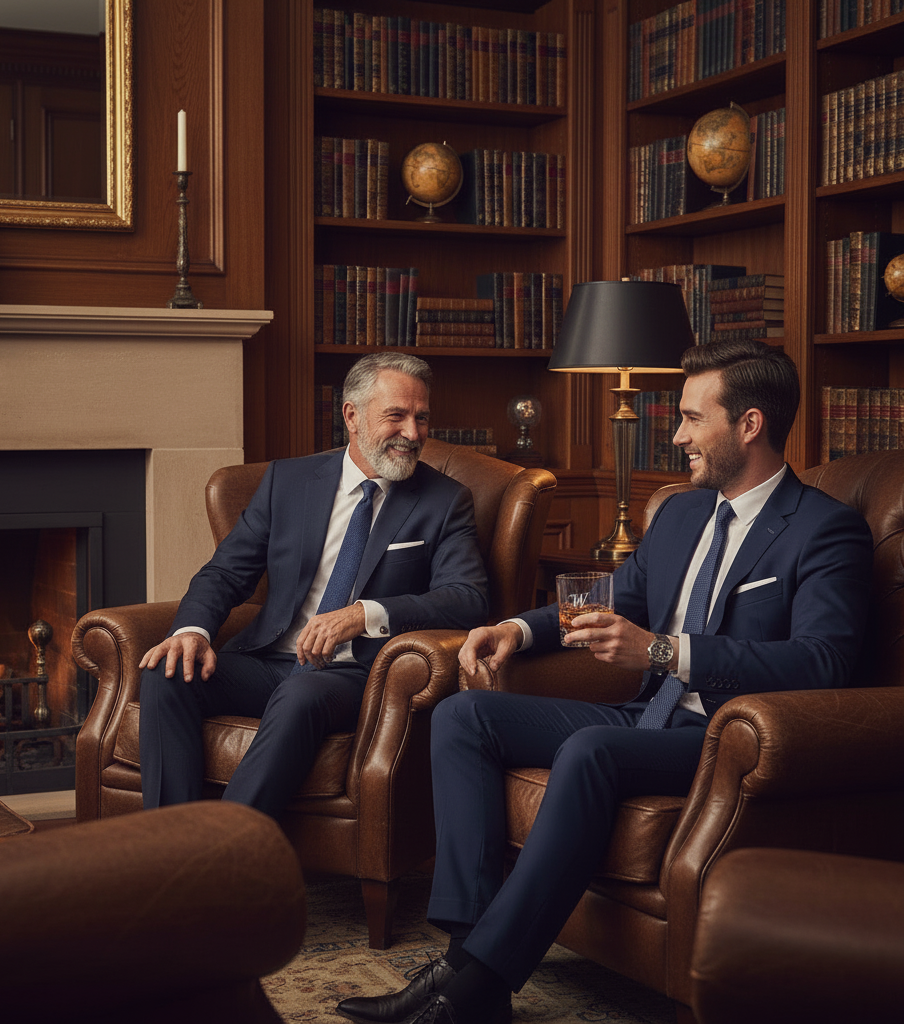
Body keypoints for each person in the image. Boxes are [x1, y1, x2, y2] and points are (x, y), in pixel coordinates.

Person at [336, 338, 873, 1024]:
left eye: (690, 418)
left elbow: (823, 663)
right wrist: (519, 631)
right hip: (649, 718)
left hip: (724, 737)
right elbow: (614, 600)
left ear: (749, 424)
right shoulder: (680, 513)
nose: (677, 435)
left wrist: (664, 653)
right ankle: (472, 968)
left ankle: (466, 985)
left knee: (590, 747)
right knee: (463, 715)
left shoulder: (827, 531)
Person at [138, 351, 488, 817]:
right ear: (351, 415)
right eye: (396, 416)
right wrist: (191, 633)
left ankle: (224, 854)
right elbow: (225, 572)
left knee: (300, 695)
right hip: (270, 660)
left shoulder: (445, 501)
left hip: (356, 673)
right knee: (167, 672)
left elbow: (467, 599)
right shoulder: (288, 481)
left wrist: (366, 614)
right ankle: (169, 845)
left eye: (421, 418)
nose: (413, 432)